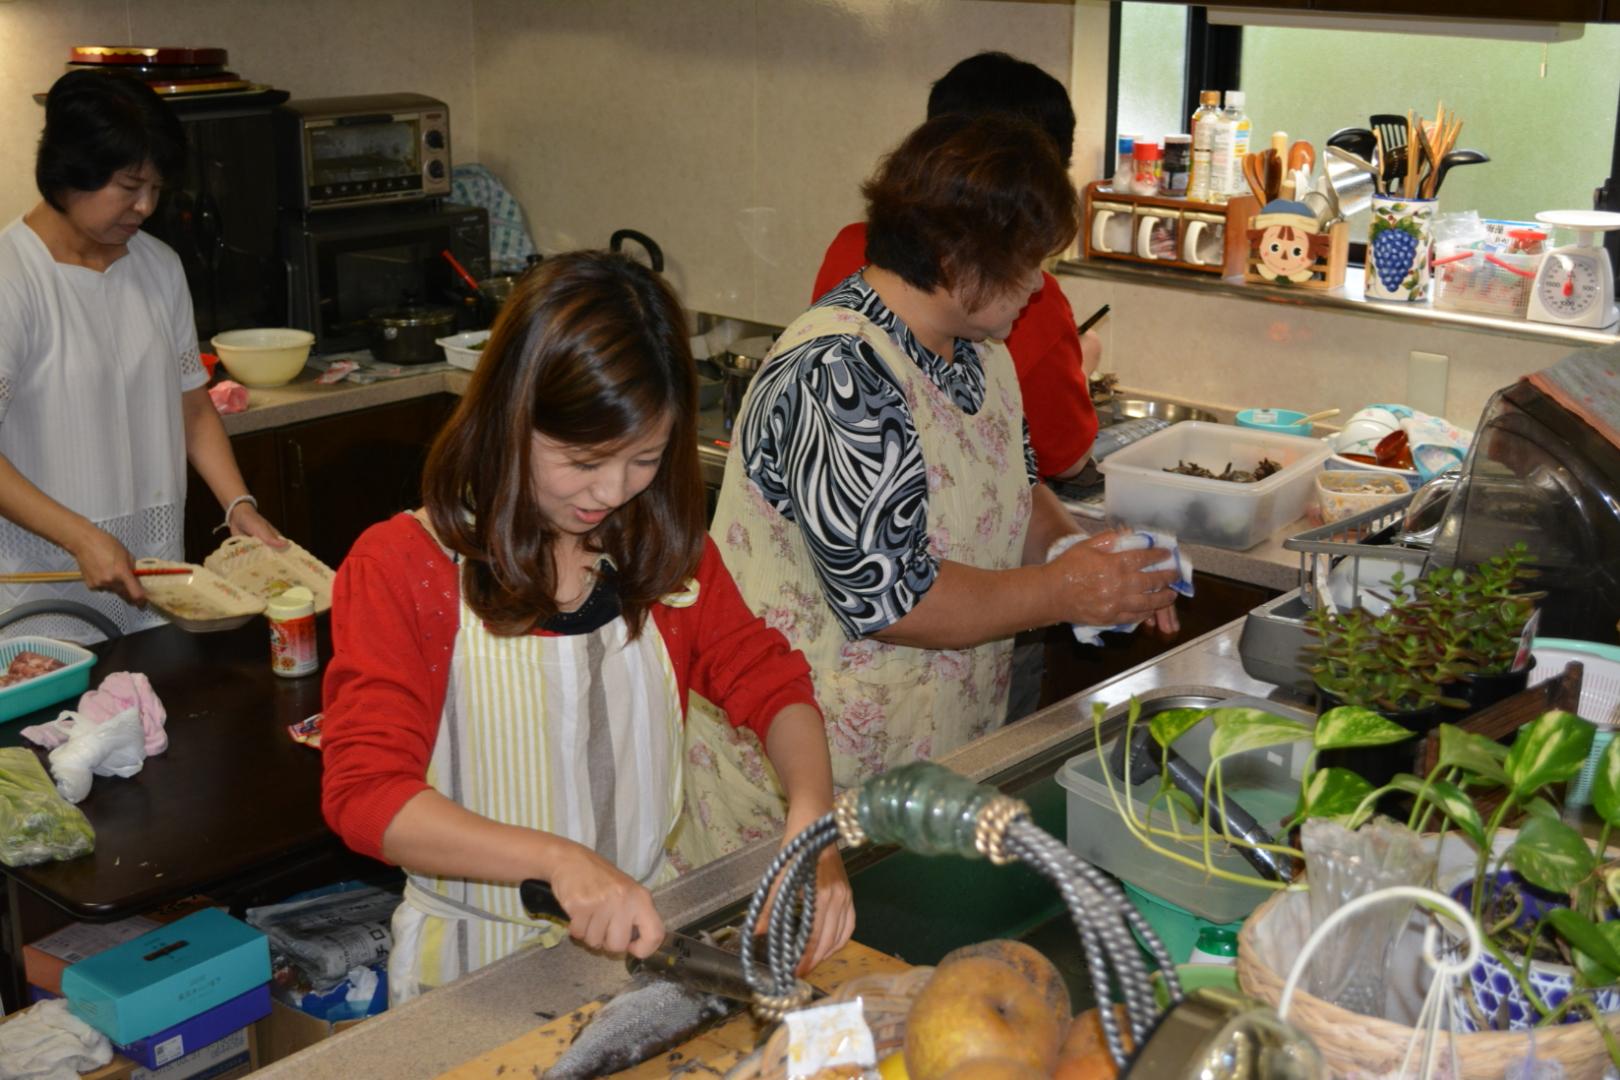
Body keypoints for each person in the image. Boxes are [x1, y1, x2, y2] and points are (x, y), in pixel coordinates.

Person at [320, 251, 854, 1004]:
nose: (610, 491)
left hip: (641, 952)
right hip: (473, 972)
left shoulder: (661, 555)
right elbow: (366, 794)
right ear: (512, 415)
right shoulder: (405, 566)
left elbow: (770, 681)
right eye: (582, 459)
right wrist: (558, 861)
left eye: (643, 459)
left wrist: (811, 819)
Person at [682, 114, 1181, 852]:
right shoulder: (837, 372)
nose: (1039, 286)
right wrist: (1064, 591)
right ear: (953, 259)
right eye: (1024, 265)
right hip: (799, 792)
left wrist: (1085, 556)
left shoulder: (980, 350)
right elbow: (889, 594)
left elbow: (1013, 489)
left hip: (925, 770)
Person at [0, 70, 283, 641]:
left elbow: (192, 408)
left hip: (157, 577)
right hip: (45, 591)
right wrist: (81, 537)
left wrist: (239, 507)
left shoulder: (158, 267)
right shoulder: (12, 277)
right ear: (68, 172)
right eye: (130, 187)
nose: (146, 207)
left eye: (156, 188)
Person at [812, 51, 1102, 483]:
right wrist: (1083, 363)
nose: (1035, 282)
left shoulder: (852, 246)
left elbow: (1017, 473)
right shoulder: (1015, 302)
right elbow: (1065, 458)